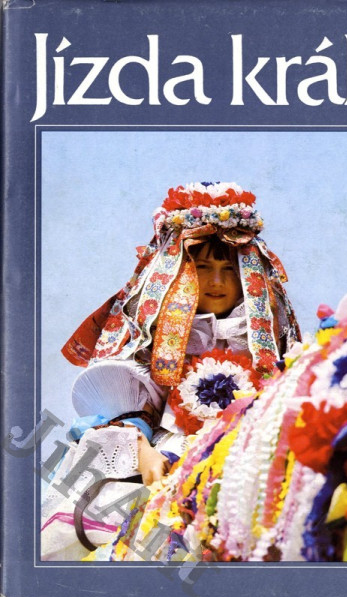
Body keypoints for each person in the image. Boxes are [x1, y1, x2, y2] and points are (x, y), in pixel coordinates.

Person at [41, 182, 301, 559]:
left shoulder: (270, 341)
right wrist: (142, 451)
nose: (216, 281)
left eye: (228, 270)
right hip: (169, 451)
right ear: (180, 271)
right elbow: (128, 411)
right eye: (203, 268)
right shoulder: (151, 336)